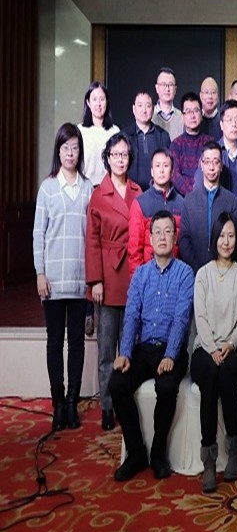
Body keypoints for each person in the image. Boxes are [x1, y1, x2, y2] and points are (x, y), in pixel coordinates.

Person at [109, 210, 194, 481]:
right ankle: (136, 452)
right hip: (144, 349)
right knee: (117, 384)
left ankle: (158, 453)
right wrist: (125, 353)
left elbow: (181, 318)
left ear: (175, 237)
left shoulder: (185, 273)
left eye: (168, 231)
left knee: (167, 386)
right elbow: (132, 315)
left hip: (172, 349)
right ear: (150, 237)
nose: (162, 237)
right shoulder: (141, 275)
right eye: (157, 232)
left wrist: (170, 355)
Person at [34, 124, 93, 431]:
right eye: (65, 147)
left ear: (80, 151)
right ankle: (57, 403)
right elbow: (38, 235)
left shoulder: (88, 188)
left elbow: (92, 236)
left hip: (80, 278)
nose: (71, 153)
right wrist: (40, 273)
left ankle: (72, 402)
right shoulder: (47, 188)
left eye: (75, 147)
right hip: (53, 280)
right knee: (55, 341)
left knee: (77, 344)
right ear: (58, 151)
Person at [86, 133, 142, 431]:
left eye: (124, 155)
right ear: (107, 158)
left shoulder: (137, 190)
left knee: (129, 346)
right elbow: (92, 241)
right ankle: (107, 405)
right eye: (115, 155)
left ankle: (126, 402)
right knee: (107, 348)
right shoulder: (99, 194)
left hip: (132, 272)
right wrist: (95, 280)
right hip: (107, 276)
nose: (120, 160)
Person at [191, 213, 237, 492]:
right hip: (205, 347)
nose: (226, 242)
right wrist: (213, 348)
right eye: (222, 236)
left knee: (227, 375)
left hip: (233, 347)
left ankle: (234, 448)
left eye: (231, 236)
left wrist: (231, 343)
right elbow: (200, 317)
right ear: (214, 238)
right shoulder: (203, 274)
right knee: (209, 377)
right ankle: (209, 459)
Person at [178, 141, 237, 274]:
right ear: (201, 165)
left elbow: (235, 240)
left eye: (216, 162)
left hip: (224, 271)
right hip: (194, 272)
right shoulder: (189, 201)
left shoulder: (232, 201)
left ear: (221, 166)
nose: (211, 167)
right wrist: (198, 270)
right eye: (207, 162)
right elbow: (184, 240)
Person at [127, 148, 184, 277]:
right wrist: (139, 279)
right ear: (152, 171)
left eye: (166, 166)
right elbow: (134, 250)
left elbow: (184, 247)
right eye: (157, 166)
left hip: (174, 275)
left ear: (172, 171)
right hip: (148, 275)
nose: (161, 170)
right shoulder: (140, 203)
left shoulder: (182, 203)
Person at [121, 91, 171, 192]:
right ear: (134, 109)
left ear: (153, 109)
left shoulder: (163, 135)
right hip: (130, 192)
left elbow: (169, 165)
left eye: (148, 106)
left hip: (158, 192)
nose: (144, 110)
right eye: (140, 106)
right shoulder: (124, 136)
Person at [170, 92, 214, 196]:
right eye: (188, 111)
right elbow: (175, 176)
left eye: (196, 111)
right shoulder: (176, 144)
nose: (192, 116)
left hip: (206, 195)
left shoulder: (210, 143)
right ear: (182, 116)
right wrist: (193, 195)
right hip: (183, 199)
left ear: (201, 114)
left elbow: (213, 172)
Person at [79, 81, 120, 186]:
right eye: (94, 99)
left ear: (107, 102)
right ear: (88, 102)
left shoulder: (114, 131)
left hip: (109, 188)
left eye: (102, 99)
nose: (98, 104)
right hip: (84, 188)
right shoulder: (80, 131)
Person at [152, 68, 183, 141]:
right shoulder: (149, 115)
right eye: (163, 84)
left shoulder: (182, 117)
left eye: (171, 85)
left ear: (175, 89)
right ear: (157, 88)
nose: (167, 89)